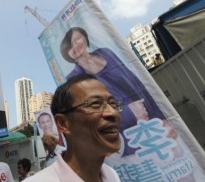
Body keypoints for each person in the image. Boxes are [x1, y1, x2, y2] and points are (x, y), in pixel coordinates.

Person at [60, 27, 177, 155]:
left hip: (154, 121)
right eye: (70, 46)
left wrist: (162, 117)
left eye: (77, 39)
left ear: (85, 38)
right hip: (128, 135)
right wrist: (128, 111)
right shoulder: (73, 79)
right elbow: (91, 113)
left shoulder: (106, 53)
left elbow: (135, 83)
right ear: (67, 54)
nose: (75, 45)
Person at [9, 74, 125, 182]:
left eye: (113, 103)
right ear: (63, 123)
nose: (113, 113)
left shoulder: (112, 177)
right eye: (95, 104)